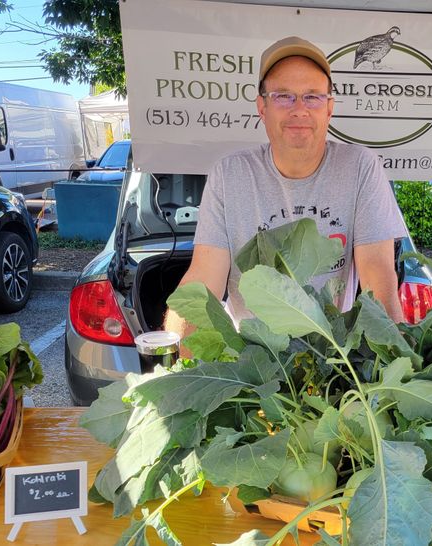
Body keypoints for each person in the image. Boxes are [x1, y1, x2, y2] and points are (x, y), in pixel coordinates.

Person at [164, 36, 407, 345]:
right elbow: (203, 281)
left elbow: (378, 274)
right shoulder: (230, 174)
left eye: (312, 97)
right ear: (262, 106)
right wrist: (174, 362)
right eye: (283, 96)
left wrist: (397, 352)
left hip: (332, 356)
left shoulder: (360, 167)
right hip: (255, 361)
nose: (299, 109)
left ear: (329, 108)